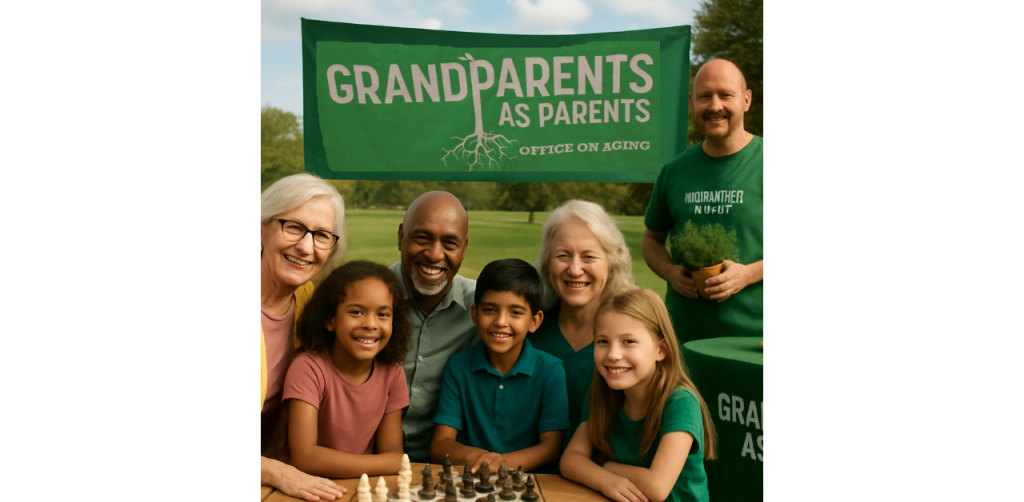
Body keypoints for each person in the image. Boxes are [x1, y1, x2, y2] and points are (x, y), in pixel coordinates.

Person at [642, 59, 765, 346]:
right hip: (684, 342)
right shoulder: (674, 171)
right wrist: (672, 272)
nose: (715, 106)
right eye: (704, 96)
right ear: (691, 102)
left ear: (746, 100)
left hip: (754, 342)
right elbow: (651, 240)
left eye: (726, 95)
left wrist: (748, 274)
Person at [560, 288, 718, 502]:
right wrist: (606, 481)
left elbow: (656, 488)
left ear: (661, 350)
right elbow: (570, 460)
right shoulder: (603, 395)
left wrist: (607, 466)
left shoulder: (680, 402)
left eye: (629, 342)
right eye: (603, 342)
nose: (613, 355)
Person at [430, 259, 570, 474]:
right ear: (475, 314)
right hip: (472, 478)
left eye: (515, 312)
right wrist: (481, 459)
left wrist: (501, 462)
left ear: (534, 321)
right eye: (490, 310)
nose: (501, 321)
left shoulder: (550, 370)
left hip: (527, 482)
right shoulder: (459, 366)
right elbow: (440, 444)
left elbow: (551, 447)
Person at [281, 261, 413, 478]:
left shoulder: (392, 373)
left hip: (360, 488)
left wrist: (391, 462)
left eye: (383, 314)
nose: (371, 324)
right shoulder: (308, 368)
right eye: (357, 312)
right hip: (303, 488)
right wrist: (386, 463)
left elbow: (393, 454)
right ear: (329, 319)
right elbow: (305, 457)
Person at [261, 174, 347, 501]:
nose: (307, 247)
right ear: (261, 229)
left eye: (322, 235)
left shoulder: (311, 306)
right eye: (293, 227)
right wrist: (273, 470)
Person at [531, 200, 635, 451]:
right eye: (563, 256)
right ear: (547, 262)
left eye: (589, 257)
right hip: (531, 481)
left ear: (612, 262)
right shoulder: (527, 332)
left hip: (609, 480)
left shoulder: (637, 337)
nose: (575, 269)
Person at [390, 192, 479, 463]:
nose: (434, 254)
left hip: (446, 467)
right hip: (364, 461)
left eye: (449, 243)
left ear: (464, 248)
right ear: (400, 236)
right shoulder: (363, 300)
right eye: (422, 237)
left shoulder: (485, 309)